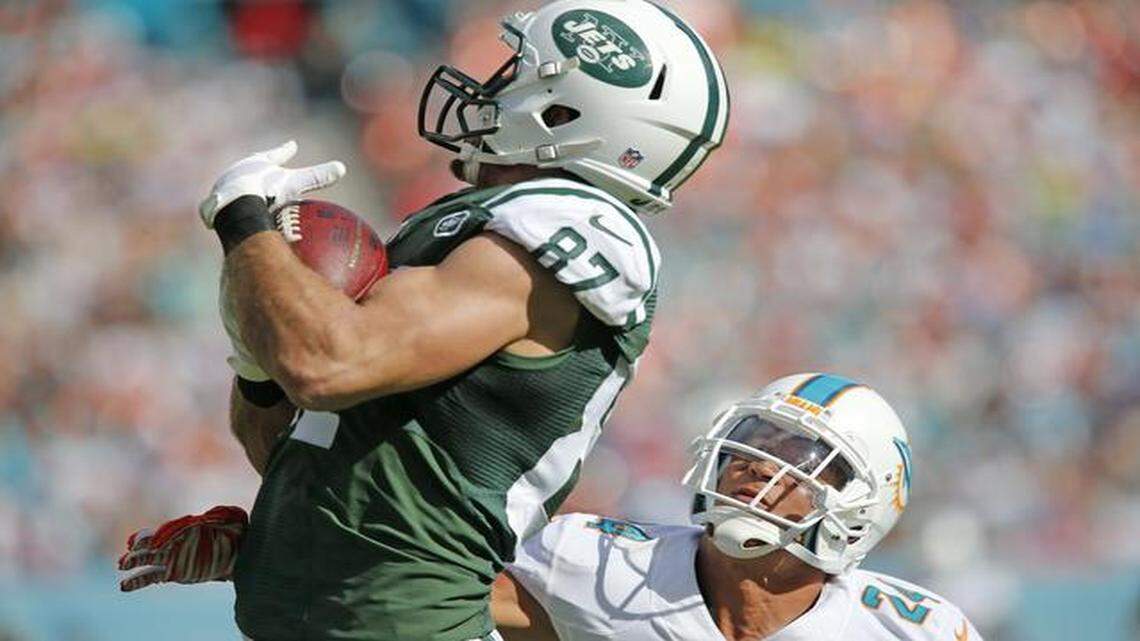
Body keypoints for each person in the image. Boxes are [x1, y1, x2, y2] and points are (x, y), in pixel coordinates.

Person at [118, 2, 729, 641]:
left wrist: (243, 220)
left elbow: (328, 366)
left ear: (568, 111)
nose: (491, 82)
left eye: (520, 70)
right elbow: (306, 440)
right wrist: (272, 537)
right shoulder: (471, 220)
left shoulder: (573, 224)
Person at [492, 373, 985, 640]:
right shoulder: (599, 565)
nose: (761, 467)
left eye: (800, 459)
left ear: (859, 511)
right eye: (754, 444)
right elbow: (435, 597)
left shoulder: (913, 630)